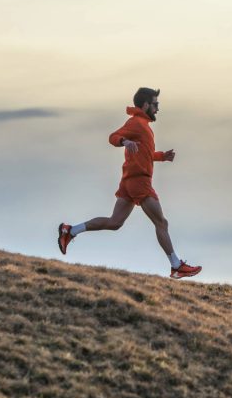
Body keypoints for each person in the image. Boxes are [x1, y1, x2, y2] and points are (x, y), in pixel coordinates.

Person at [58, 87, 202, 279]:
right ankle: (176, 266)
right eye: (155, 105)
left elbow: (145, 154)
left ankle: (70, 230)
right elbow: (113, 137)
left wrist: (161, 156)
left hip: (130, 181)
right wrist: (124, 141)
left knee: (114, 222)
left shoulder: (144, 126)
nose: (158, 109)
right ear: (145, 105)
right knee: (161, 222)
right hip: (139, 181)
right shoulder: (135, 123)